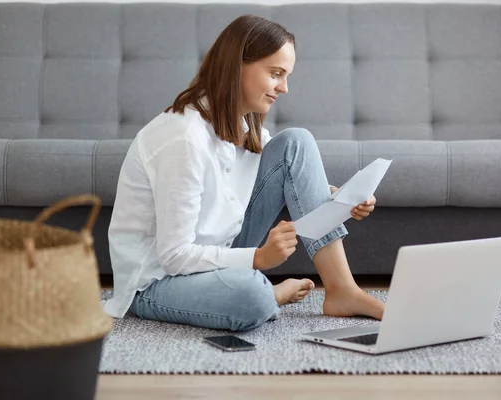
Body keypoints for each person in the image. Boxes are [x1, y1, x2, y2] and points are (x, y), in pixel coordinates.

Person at [102, 15, 385, 331]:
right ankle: (268, 293)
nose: (284, 88)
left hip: (220, 252)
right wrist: (259, 260)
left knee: (297, 141)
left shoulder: (242, 125)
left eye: (286, 75)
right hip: (158, 281)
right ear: (236, 66)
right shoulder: (183, 138)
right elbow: (175, 257)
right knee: (254, 297)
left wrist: (341, 199)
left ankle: (342, 290)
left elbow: (290, 174)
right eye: (276, 73)